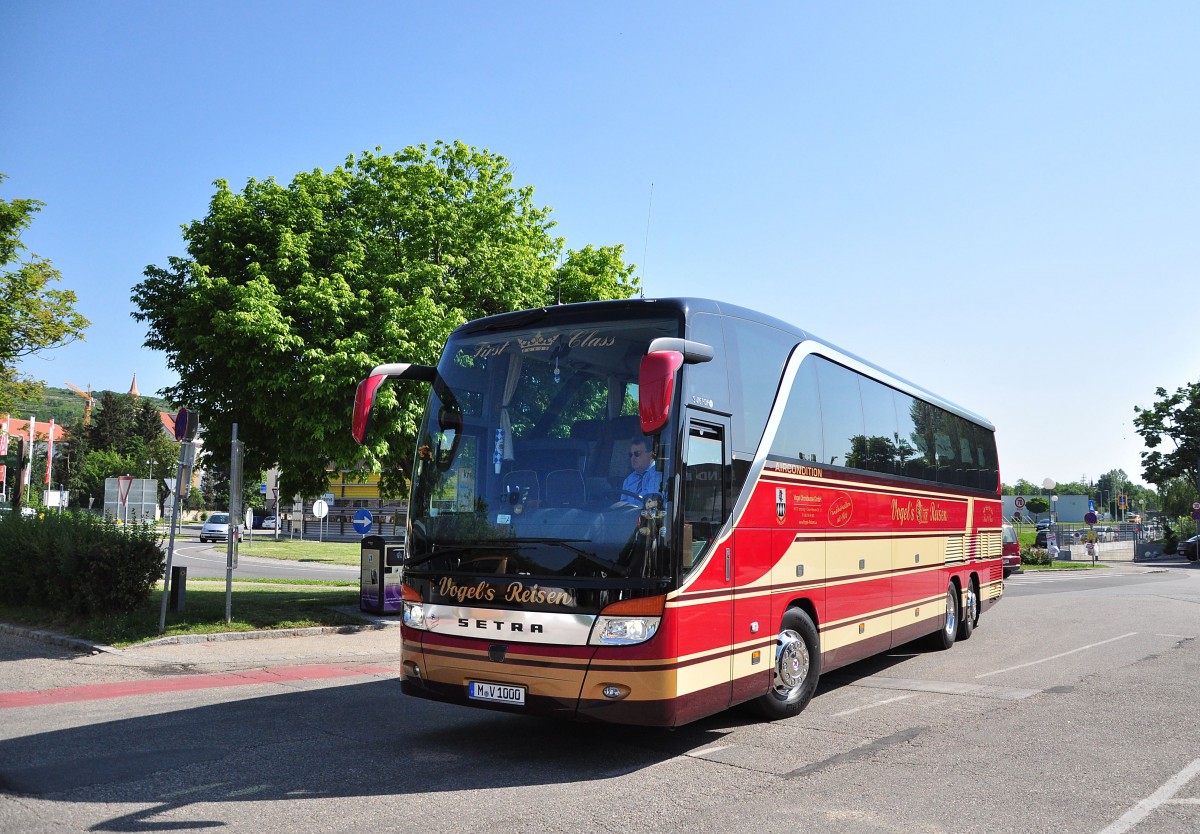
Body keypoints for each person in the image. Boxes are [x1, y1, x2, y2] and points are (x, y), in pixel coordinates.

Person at [620, 437, 662, 506]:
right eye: (631, 455)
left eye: (637, 454)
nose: (633, 458)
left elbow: (651, 505)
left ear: (651, 455)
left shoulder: (659, 474)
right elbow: (622, 507)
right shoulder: (628, 480)